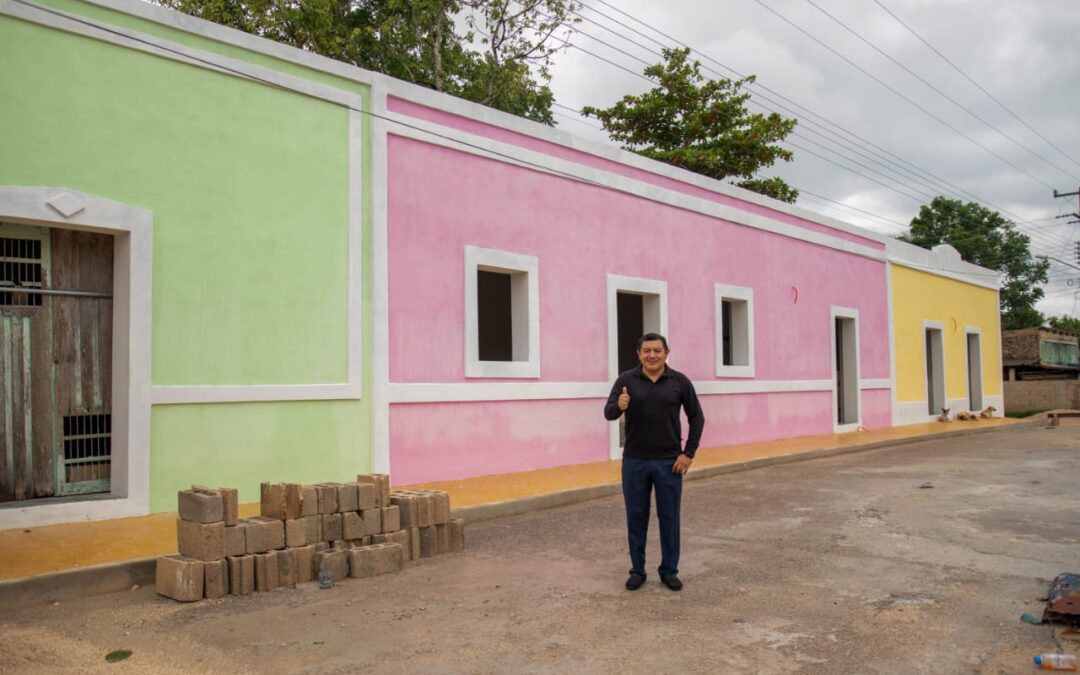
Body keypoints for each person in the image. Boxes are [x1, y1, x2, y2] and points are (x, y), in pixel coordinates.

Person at [604, 332, 704, 591]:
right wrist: (620, 405)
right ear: (638, 354)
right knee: (636, 517)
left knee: (669, 518)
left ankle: (669, 570)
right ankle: (637, 570)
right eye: (646, 350)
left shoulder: (679, 381)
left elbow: (697, 417)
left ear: (666, 353)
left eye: (657, 350)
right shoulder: (626, 380)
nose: (651, 355)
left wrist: (688, 453)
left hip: (669, 463)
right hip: (635, 462)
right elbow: (609, 413)